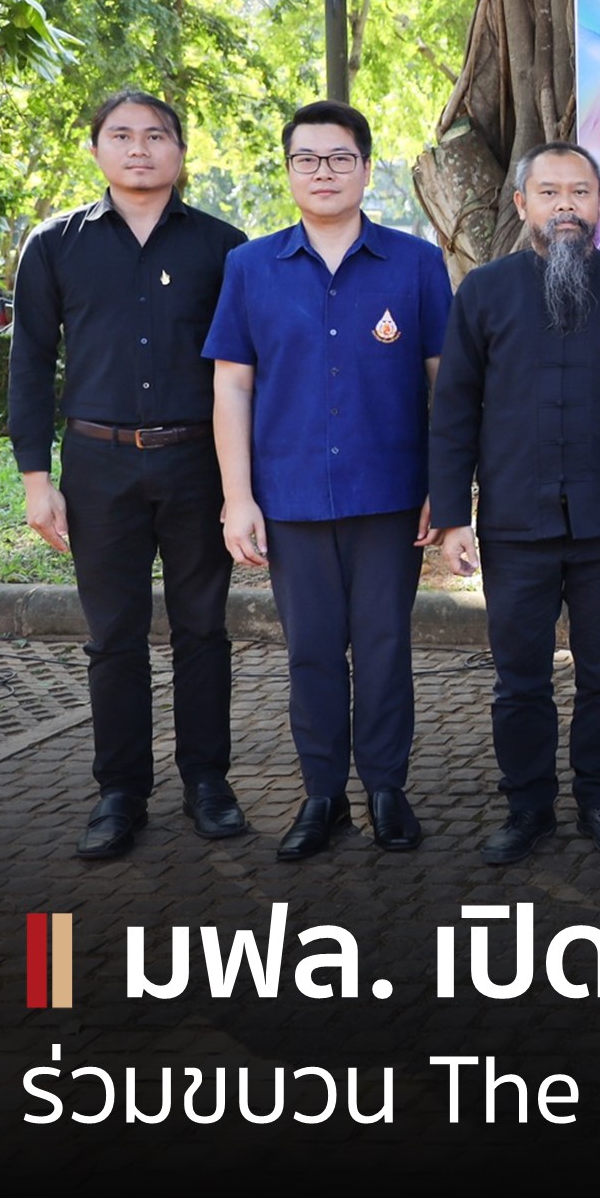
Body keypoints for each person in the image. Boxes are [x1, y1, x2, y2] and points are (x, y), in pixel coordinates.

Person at [206, 101, 449, 861]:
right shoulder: (250, 267)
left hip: (391, 496)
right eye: (306, 159)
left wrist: (446, 486)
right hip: (291, 495)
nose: (323, 171)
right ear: (288, 172)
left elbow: (445, 382)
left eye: (339, 157)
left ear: (366, 168)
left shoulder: (416, 263)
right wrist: (238, 497)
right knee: (310, 647)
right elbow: (233, 387)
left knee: (383, 645)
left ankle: (385, 788)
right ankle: (322, 795)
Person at [9, 91, 248, 858]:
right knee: (113, 635)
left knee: (202, 629)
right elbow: (31, 365)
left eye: (156, 135)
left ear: (180, 151)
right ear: (96, 149)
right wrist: (34, 479)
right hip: (96, 462)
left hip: (195, 462)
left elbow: (247, 370)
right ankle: (119, 792)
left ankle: (207, 780)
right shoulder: (55, 246)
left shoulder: (223, 247)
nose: (139, 148)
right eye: (121, 135)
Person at [429, 142, 600, 864]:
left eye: (579, 192)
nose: (565, 205)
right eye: (549, 192)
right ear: (522, 205)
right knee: (520, 680)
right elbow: (453, 410)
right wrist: (452, 516)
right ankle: (528, 806)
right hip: (514, 525)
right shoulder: (483, 292)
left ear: (599, 204)